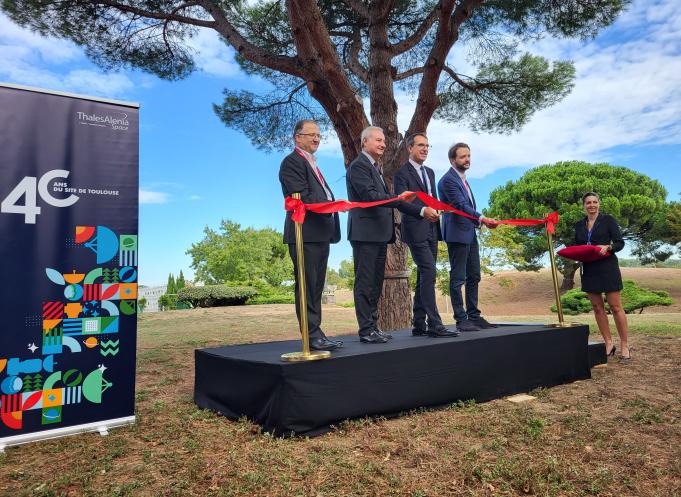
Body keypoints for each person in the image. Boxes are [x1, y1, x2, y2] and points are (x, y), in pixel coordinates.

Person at [346, 126, 415, 344]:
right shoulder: (359, 166)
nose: (383, 144)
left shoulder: (377, 168)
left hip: (379, 234)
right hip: (365, 234)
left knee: (375, 283)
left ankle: (373, 327)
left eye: (384, 140)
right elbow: (370, 196)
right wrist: (398, 199)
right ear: (364, 142)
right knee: (365, 282)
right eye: (378, 140)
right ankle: (365, 330)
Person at [279, 119, 342, 351]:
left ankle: (317, 332)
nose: (316, 139)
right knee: (307, 285)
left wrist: (333, 205)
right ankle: (311, 335)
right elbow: (302, 197)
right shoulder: (292, 162)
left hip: (321, 233)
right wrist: (334, 204)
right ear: (297, 137)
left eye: (318, 135)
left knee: (316, 287)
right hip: (303, 232)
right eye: (311, 134)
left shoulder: (312, 163)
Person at [394, 132, 458, 338]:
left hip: (432, 229)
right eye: (421, 145)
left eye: (428, 146)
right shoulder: (401, 174)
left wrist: (438, 210)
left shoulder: (430, 172)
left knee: (424, 274)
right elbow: (401, 203)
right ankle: (435, 324)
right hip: (414, 229)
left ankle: (419, 323)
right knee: (429, 271)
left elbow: (433, 199)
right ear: (409, 148)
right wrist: (422, 211)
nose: (424, 149)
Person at [437, 143, 498, 332]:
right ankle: (461, 319)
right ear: (452, 160)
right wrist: (482, 218)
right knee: (458, 278)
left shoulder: (463, 180)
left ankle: (474, 316)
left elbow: (466, 205)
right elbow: (461, 205)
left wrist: (478, 222)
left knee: (474, 276)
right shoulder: (448, 180)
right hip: (456, 234)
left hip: (470, 232)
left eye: (469, 156)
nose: (467, 159)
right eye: (462, 157)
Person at [575, 192, 630, 360]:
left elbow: (620, 243)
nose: (591, 205)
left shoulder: (608, 220)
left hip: (608, 267)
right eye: (588, 203)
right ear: (583, 205)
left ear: (599, 203)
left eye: (594, 202)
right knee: (597, 308)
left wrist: (609, 247)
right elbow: (578, 246)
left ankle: (625, 344)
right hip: (590, 269)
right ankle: (608, 343)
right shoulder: (579, 225)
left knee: (615, 307)